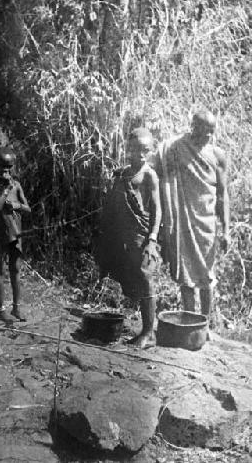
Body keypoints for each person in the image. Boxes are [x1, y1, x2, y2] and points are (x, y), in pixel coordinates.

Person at [155, 109, 230, 327]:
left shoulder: (218, 156)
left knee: (206, 277)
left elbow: (222, 194)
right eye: (204, 130)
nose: (208, 135)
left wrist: (226, 229)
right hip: (182, 221)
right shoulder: (176, 148)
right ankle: (189, 320)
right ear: (193, 126)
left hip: (206, 224)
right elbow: (157, 167)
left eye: (212, 131)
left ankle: (204, 324)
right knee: (185, 274)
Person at [95, 127, 162, 349]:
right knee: (132, 276)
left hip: (141, 235)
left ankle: (148, 333)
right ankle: (143, 327)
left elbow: (157, 210)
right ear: (128, 149)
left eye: (145, 150)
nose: (140, 155)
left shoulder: (149, 175)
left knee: (145, 278)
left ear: (151, 151)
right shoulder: (123, 173)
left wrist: (152, 238)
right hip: (123, 235)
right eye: (135, 150)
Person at [0, 147, 31, 323]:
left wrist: (16, 206)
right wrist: (4, 191)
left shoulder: (16, 185)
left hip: (15, 232)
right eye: (2, 167)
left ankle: (17, 307)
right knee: (0, 271)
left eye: (9, 168)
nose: (6, 171)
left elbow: (27, 209)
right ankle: (1, 309)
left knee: (15, 270)